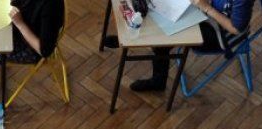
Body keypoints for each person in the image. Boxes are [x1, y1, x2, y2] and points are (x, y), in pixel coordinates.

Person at [105, 0, 255, 92]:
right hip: (207, 13)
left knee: (166, 34)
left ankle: (157, 79)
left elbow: (236, 28)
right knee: (158, 12)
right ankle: (133, 36)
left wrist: (206, 8)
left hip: (222, 35)